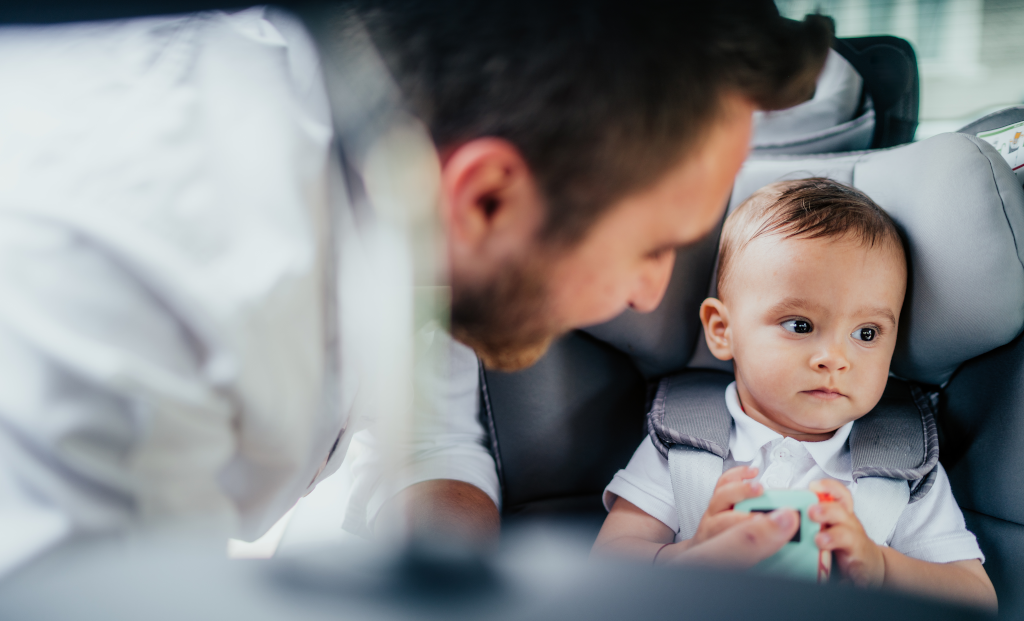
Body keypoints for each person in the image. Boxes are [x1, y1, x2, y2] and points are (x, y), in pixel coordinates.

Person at [0, 1, 830, 575]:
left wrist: (456, 604)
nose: (652, 295)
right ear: (487, 198)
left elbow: (429, 438)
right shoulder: (129, 281)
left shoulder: (409, 185)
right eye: (654, 247)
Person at [591, 178, 997, 610]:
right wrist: (692, 556)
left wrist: (880, 567)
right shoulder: (681, 444)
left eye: (867, 333)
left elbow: (976, 600)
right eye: (800, 325)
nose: (835, 358)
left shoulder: (903, 468)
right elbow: (608, 569)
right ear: (722, 330)